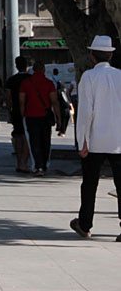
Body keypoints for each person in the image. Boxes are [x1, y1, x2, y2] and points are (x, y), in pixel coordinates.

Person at [70, 36, 121, 241]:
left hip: (95, 140)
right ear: (110, 55)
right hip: (118, 140)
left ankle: (85, 224)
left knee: (90, 184)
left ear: (92, 55)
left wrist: (82, 140)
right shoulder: (120, 76)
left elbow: (85, 112)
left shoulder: (89, 77)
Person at [20, 61, 61, 176]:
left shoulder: (26, 83)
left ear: (33, 69)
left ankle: (38, 166)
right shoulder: (49, 83)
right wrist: (58, 118)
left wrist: (22, 114)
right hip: (45, 116)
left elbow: (22, 101)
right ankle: (44, 164)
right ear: (43, 70)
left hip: (30, 116)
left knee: (34, 141)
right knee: (46, 140)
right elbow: (54, 102)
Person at [4, 56, 32, 173]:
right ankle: (24, 163)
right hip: (29, 111)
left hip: (15, 111)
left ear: (16, 66)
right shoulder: (30, 79)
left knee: (18, 136)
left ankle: (19, 162)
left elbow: (8, 98)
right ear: (26, 66)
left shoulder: (11, 80)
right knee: (27, 137)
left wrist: (9, 110)